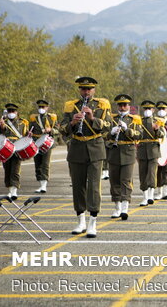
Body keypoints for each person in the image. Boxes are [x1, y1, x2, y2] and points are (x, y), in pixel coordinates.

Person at [60, 77, 112, 238]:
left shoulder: (102, 105)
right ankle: (80, 220)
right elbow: (62, 129)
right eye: (83, 89)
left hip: (95, 148)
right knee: (78, 186)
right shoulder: (71, 105)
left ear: (94, 90)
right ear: (79, 90)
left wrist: (91, 118)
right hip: (76, 148)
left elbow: (109, 127)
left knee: (94, 186)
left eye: (89, 89)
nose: (86, 92)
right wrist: (73, 123)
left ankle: (92, 222)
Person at [107, 94, 142, 220]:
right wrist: (111, 132)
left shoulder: (135, 119)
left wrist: (128, 130)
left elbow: (139, 135)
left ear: (129, 106)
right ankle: (117, 207)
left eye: (125, 105)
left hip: (128, 152)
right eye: (120, 105)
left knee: (126, 181)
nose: (122, 107)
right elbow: (103, 134)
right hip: (114, 152)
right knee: (114, 180)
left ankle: (125, 207)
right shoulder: (111, 119)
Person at [136, 100, 165, 206]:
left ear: (153, 110)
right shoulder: (139, 121)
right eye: (145, 109)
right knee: (142, 173)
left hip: (153, 150)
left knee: (152, 173)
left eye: (149, 109)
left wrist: (157, 130)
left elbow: (162, 135)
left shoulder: (158, 121)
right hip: (142, 150)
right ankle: (144, 197)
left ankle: (151, 195)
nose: (147, 111)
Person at [0, 103, 29, 199]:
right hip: (6, 149)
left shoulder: (23, 123)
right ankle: (10, 190)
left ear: (16, 112)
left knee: (15, 170)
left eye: (13, 111)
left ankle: (14, 191)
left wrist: (29, 134)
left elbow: (26, 135)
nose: (11, 113)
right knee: (7, 169)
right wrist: (2, 126)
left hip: (17, 149)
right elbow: (0, 133)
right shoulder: (3, 122)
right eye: (9, 111)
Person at [29, 100, 59, 193]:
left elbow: (58, 130)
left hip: (47, 143)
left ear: (47, 108)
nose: (41, 109)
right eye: (40, 107)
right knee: (37, 164)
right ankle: (40, 183)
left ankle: (44, 186)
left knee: (45, 164)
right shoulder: (34, 118)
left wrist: (51, 130)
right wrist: (29, 133)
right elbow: (30, 129)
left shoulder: (52, 118)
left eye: (43, 107)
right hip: (35, 142)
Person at [154, 101, 167, 200]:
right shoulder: (154, 121)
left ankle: (166, 191)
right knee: (158, 170)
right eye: (160, 109)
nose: (162, 111)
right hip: (157, 148)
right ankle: (159, 191)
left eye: (164, 109)